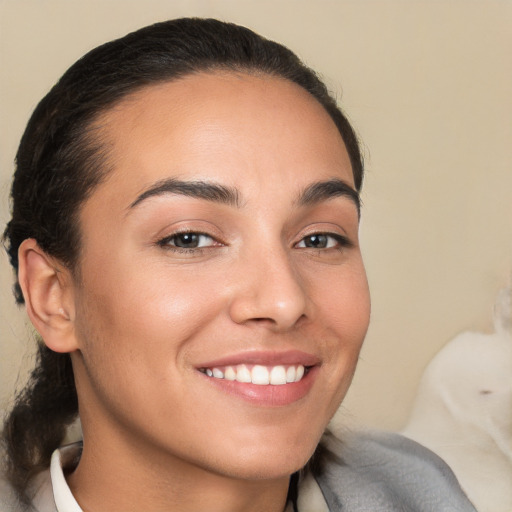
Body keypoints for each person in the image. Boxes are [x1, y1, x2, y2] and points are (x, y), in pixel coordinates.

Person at [1, 18, 476, 512]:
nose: (284, 301)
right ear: (53, 296)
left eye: (319, 238)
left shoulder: (419, 492)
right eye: (189, 238)